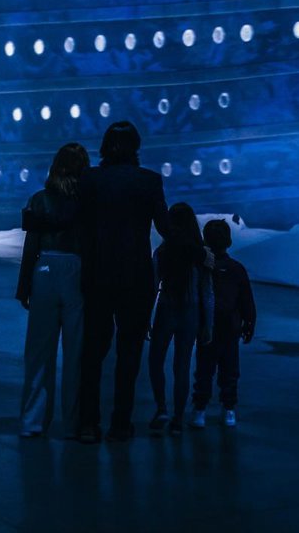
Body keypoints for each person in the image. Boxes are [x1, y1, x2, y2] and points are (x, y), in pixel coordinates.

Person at [76, 121, 170, 443]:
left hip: (96, 275)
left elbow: (79, 226)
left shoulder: (90, 179)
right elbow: (165, 227)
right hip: (135, 277)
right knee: (129, 354)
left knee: (92, 352)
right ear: (137, 146)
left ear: (104, 146)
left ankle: (88, 423)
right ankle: (120, 423)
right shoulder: (149, 181)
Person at [17, 142, 90, 439]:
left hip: (45, 268)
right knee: (76, 354)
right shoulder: (88, 201)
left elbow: (31, 246)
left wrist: (23, 286)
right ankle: (72, 424)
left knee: (38, 352)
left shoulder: (39, 199)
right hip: (78, 270)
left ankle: (32, 422)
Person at [147, 203, 214, 435]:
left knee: (156, 360)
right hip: (191, 312)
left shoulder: (163, 252)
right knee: (182, 365)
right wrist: (208, 324)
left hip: (166, 309)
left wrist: (146, 317)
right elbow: (207, 292)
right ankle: (177, 419)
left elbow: (153, 286)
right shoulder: (202, 254)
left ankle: (161, 409)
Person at [190, 219, 257, 429]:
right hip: (230, 328)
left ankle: (200, 409)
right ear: (228, 241)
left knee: (204, 369)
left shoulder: (201, 267)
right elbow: (246, 300)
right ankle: (228, 409)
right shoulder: (237, 269)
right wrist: (249, 323)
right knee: (229, 369)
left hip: (207, 328)